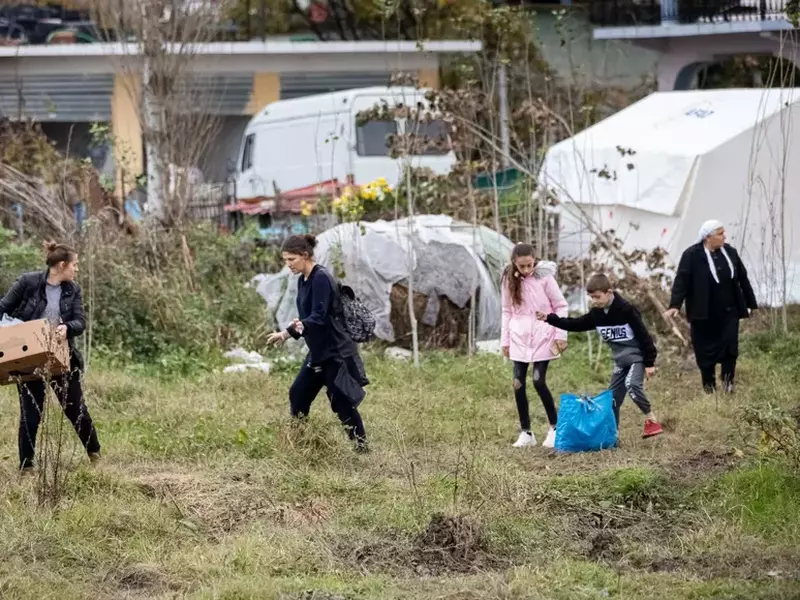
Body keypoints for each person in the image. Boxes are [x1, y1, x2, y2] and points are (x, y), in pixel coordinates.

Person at [0, 242, 101, 475]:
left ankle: (94, 453)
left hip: (62, 356)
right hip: (29, 356)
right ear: (62, 265)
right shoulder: (28, 282)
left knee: (75, 408)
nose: (77, 269)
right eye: (75, 265)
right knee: (31, 413)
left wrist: (67, 327)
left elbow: (80, 321)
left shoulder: (72, 290)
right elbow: (3, 307)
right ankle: (26, 467)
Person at [267, 234, 369, 452]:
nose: (288, 264)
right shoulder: (302, 280)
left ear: (305, 255)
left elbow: (319, 317)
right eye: (285, 260)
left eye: (292, 259)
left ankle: (362, 448)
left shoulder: (321, 277)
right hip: (318, 351)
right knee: (298, 393)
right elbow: (310, 316)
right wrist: (299, 324)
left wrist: (287, 333)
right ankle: (299, 443)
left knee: (341, 403)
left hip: (335, 352)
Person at [537, 273, 664, 439]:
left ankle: (651, 420)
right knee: (611, 400)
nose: (595, 301)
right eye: (592, 297)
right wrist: (549, 318)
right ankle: (613, 434)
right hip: (620, 361)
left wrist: (649, 362)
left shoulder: (626, 310)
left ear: (609, 292)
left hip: (637, 358)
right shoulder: (597, 314)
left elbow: (644, 336)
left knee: (632, 385)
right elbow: (575, 324)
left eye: (597, 297)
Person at [665, 220, 757, 394]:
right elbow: (682, 281)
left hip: (729, 312)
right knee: (705, 352)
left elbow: (742, 278)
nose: (724, 236)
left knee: (730, 349)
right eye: (720, 234)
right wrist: (675, 305)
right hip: (703, 315)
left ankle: (728, 384)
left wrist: (751, 303)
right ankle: (709, 388)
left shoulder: (730, 252)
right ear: (708, 237)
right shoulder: (691, 255)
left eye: (724, 233)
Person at [500, 243, 569, 449]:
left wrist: (561, 334)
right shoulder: (508, 280)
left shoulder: (544, 277)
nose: (526, 269)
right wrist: (505, 340)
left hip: (543, 335)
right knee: (518, 383)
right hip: (519, 338)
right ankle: (526, 432)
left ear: (535, 260)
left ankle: (555, 428)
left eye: (530, 265)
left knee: (538, 381)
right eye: (522, 266)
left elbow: (560, 305)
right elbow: (506, 311)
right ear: (514, 263)